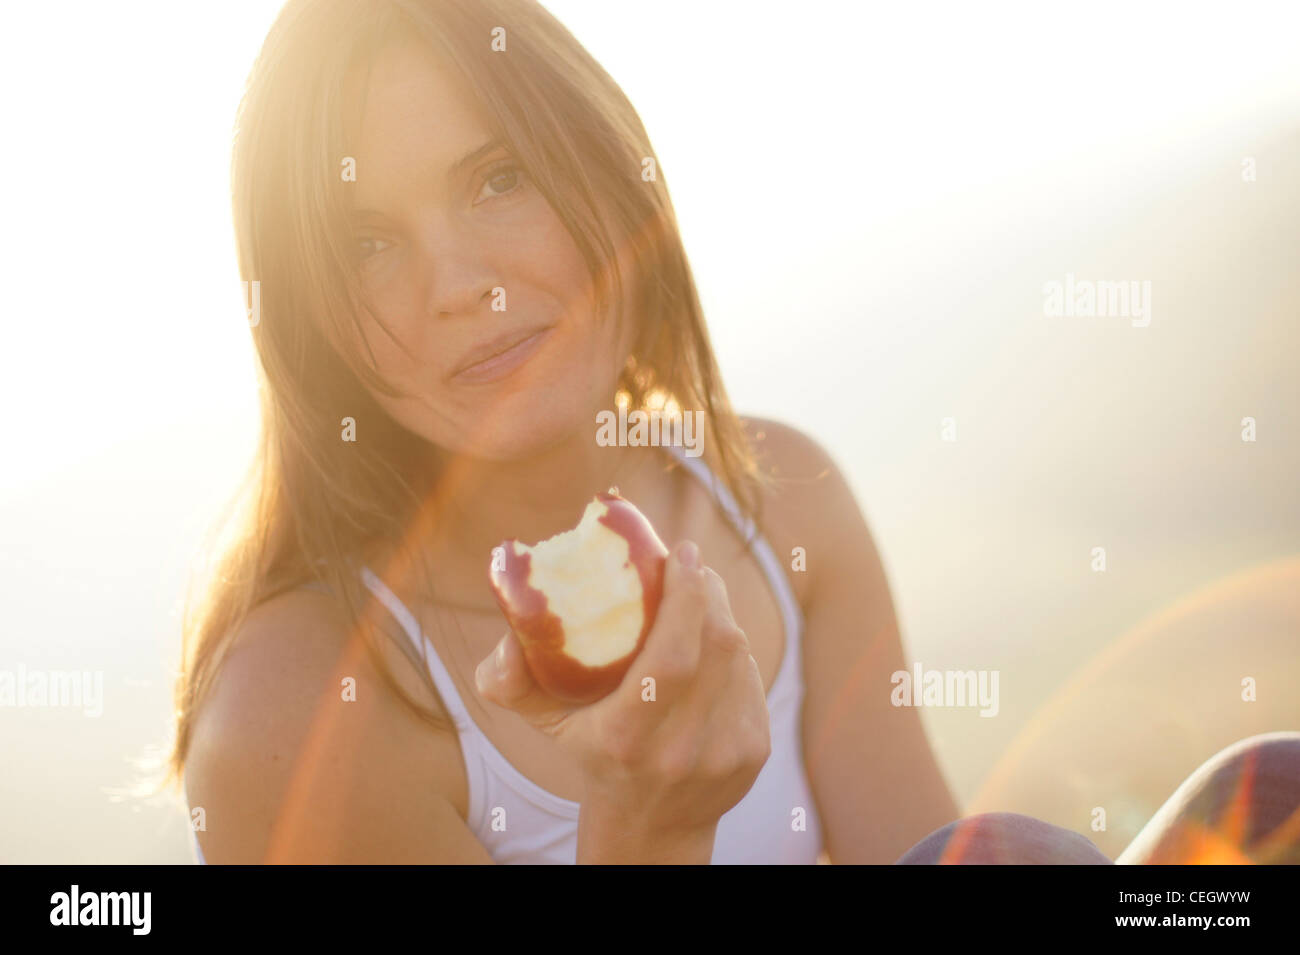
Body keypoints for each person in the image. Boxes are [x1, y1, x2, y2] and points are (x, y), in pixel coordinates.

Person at [168, 0, 1300, 865]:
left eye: (498, 179)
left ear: (608, 176)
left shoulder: (783, 501)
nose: (459, 282)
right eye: (367, 244)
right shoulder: (301, 712)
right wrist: (643, 831)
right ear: (309, 325)